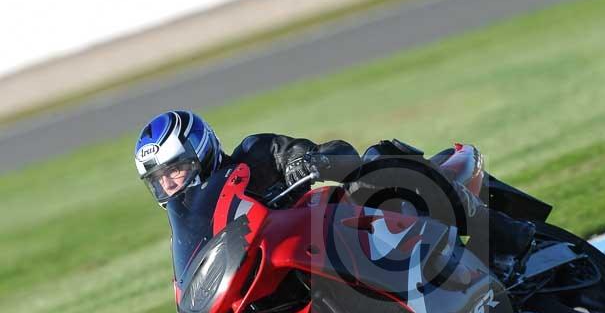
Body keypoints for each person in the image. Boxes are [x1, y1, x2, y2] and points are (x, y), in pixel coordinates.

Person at [133, 110, 535, 278]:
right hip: (305, 266)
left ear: (200, 152)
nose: (170, 183)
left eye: (176, 169)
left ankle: (503, 235)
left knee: (374, 168)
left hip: (344, 228)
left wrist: (305, 162)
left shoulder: (255, 153)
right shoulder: (192, 223)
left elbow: (325, 154)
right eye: (160, 179)